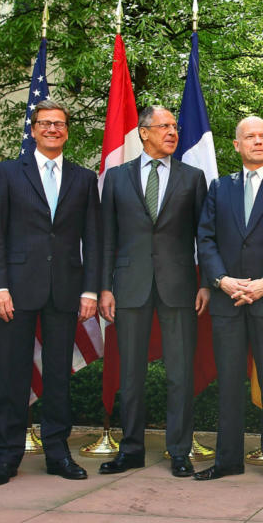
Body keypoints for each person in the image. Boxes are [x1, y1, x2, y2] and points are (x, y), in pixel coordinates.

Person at [0, 99, 100, 485]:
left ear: (67, 130)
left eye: (59, 124)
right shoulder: (7, 173)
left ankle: (57, 453)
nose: (52, 129)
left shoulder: (83, 179)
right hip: (14, 291)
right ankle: (7, 456)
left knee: (59, 378)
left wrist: (90, 292)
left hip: (66, 292)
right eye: (45, 123)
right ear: (32, 129)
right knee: (13, 375)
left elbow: (93, 241)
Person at [97, 106, 208, 478]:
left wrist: (206, 282)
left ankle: (179, 450)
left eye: (175, 126)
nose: (172, 132)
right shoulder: (116, 178)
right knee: (130, 373)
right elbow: (107, 238)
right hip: (129, 286)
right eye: (164, 127)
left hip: (179, 286)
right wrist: (104, 288)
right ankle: (130, 450)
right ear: (144, 132)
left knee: (180, 373)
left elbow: (203, 236)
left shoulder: (193, 178)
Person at [195, 116, 263, 484]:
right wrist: (221, 281)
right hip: (227, 300)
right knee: (228, 382)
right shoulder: (219, 187)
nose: (257, 141)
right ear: (237, 145)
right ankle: (228, 460)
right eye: (249, 136)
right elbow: (205, 239)